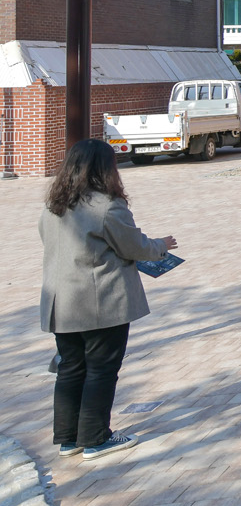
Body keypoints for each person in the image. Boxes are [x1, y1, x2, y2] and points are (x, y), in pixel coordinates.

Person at [39, 139, 177, 462]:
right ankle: (96, 438)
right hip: (100, 303)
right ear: (105, 169)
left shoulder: (53, 207)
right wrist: (161, 245)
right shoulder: (107, 207)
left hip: (61, 303)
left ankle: (68, 438)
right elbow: (133, 246)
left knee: (70, 368)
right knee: (101, 369)